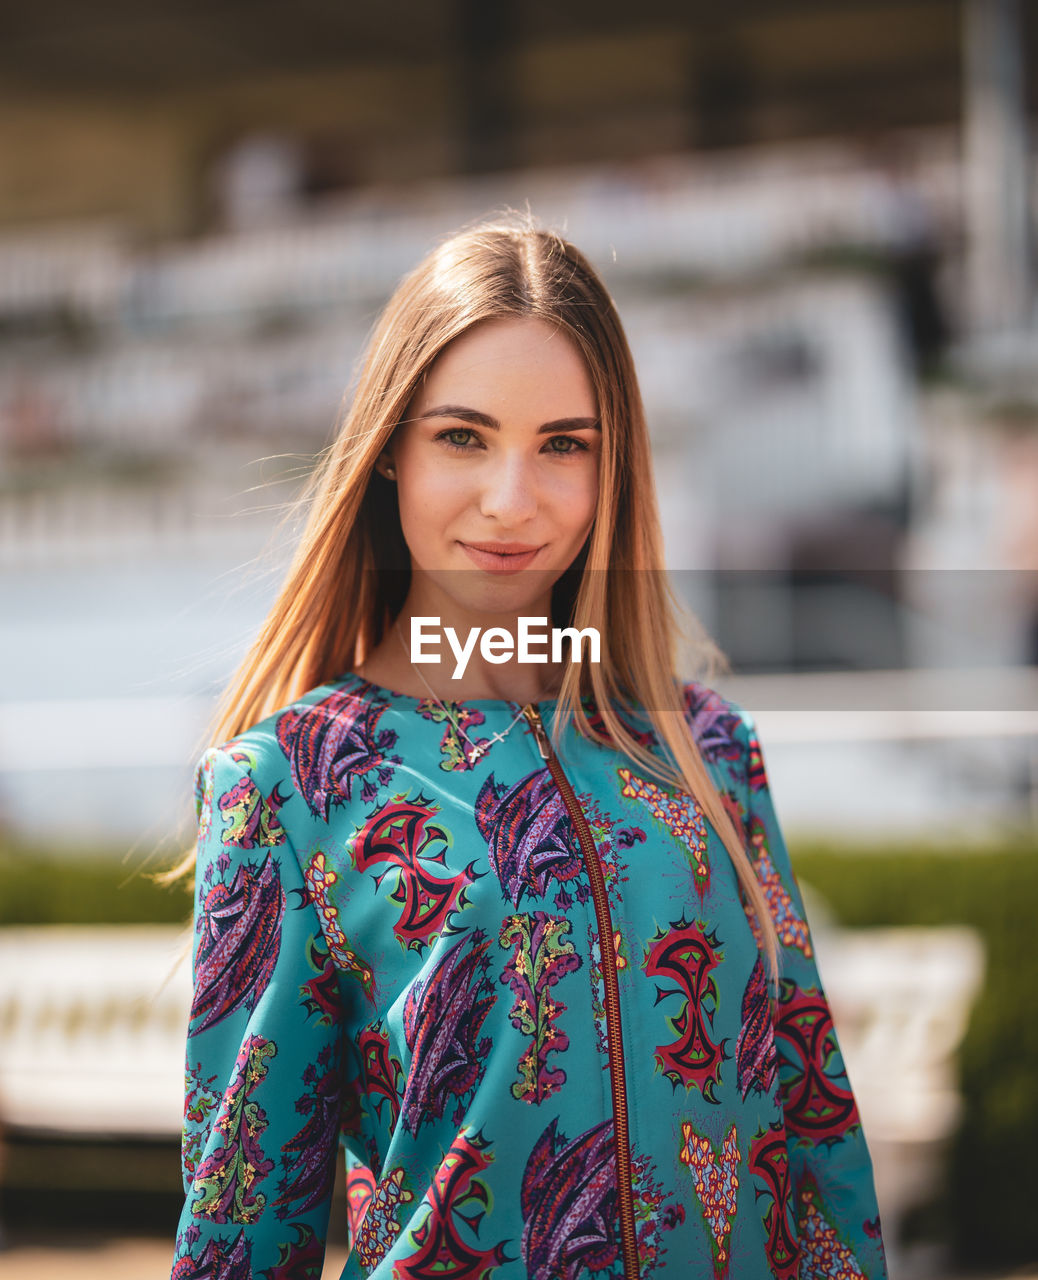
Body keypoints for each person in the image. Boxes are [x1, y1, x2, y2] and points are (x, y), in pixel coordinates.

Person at [169, 216, 887, 1279]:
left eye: (563, 443)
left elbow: (813, 1125)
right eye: (463, 436)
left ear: (614, 468)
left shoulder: (708, 748)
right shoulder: (287, 786)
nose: (513, 500)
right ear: (389, 455)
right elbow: (242, 1224)